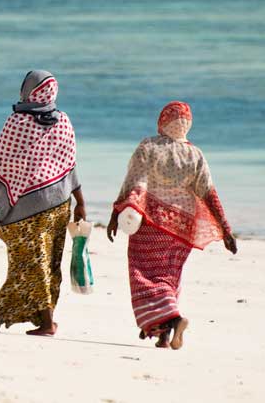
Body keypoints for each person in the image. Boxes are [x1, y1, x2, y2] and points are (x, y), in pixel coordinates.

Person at [107, 101, 237, 349]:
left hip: (150, 224)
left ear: (163, 121)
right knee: (168, 277)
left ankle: (174, 320)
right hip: (182, 226)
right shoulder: (195, 154)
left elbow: (135, 183)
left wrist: (117, 211)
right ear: (187, 124)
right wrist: (225, 228)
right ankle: (162, 334)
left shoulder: (148, 147)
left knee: (144, 275)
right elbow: (209, 193)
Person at [0, 70, 86, 336]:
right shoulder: (62, 120)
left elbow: (6, 164)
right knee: (48, 261)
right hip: (60, 202)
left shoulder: (17, 122)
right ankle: (43, 317)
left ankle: (47, 321)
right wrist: (80, 202)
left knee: (30, 261)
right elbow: (69, 165)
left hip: (26, 206)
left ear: (27, 90)